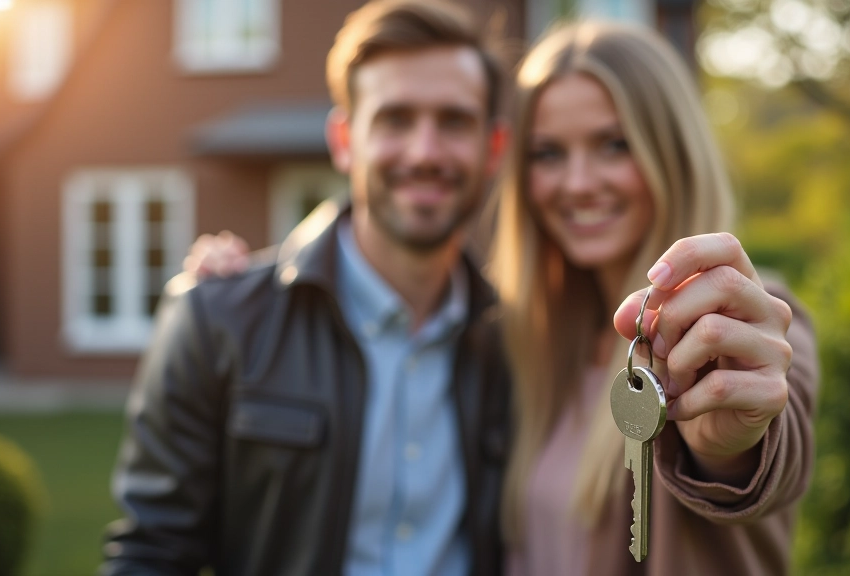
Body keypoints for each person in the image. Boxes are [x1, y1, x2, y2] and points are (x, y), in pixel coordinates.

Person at [182, 16, 818, 576]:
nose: (578, 183)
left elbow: (762, 441)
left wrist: (732, 444)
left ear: (672, 152)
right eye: (548, 153)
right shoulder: (515, 338)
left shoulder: (732, 323)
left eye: (613, 144)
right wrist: (248, 289)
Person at [101, 1, 512, 574]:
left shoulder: (517, 345)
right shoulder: (218, 321)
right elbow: (152, 555)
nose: (425, 152)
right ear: (344, 141)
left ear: (493, 147)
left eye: (454, 121)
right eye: (395, 119)